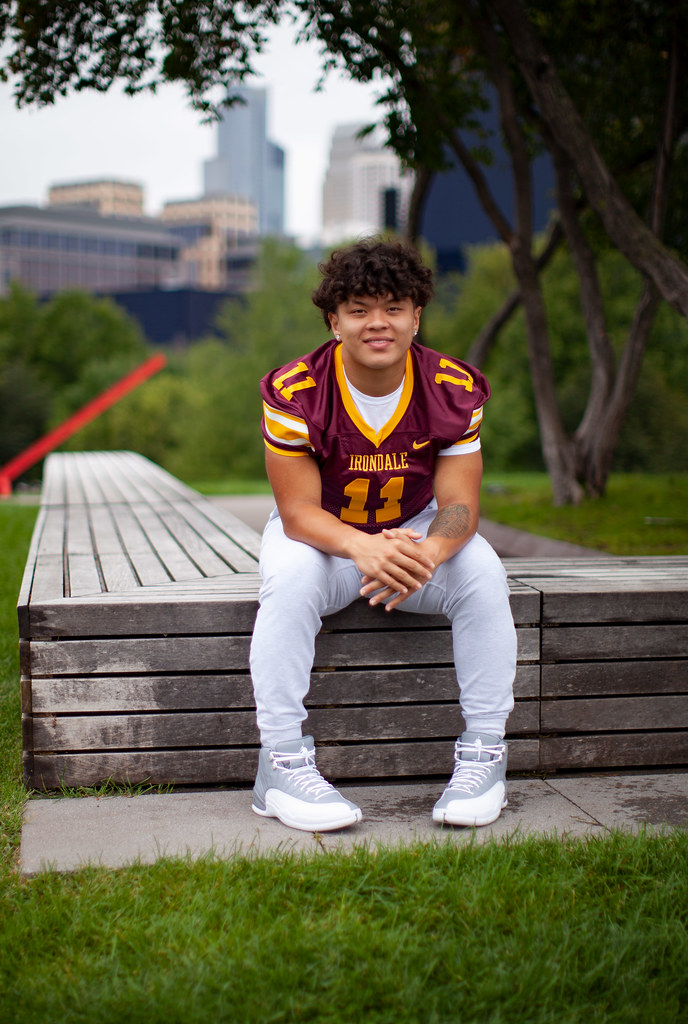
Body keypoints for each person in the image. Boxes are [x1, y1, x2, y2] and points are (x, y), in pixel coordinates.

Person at [250, 238, 516, 833]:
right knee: (289, 577)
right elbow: (297, 513)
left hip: (416, 531)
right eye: (360, 308)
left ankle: (485, 751)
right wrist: (364, 546)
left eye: (394, 307)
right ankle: (280, 759)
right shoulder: (296, 391)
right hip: (324, 536)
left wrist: (427, 554)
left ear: (416, 317)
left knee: (483, 572)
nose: (378, 323)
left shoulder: (450, 386)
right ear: (334, 319)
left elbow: (459, 506)